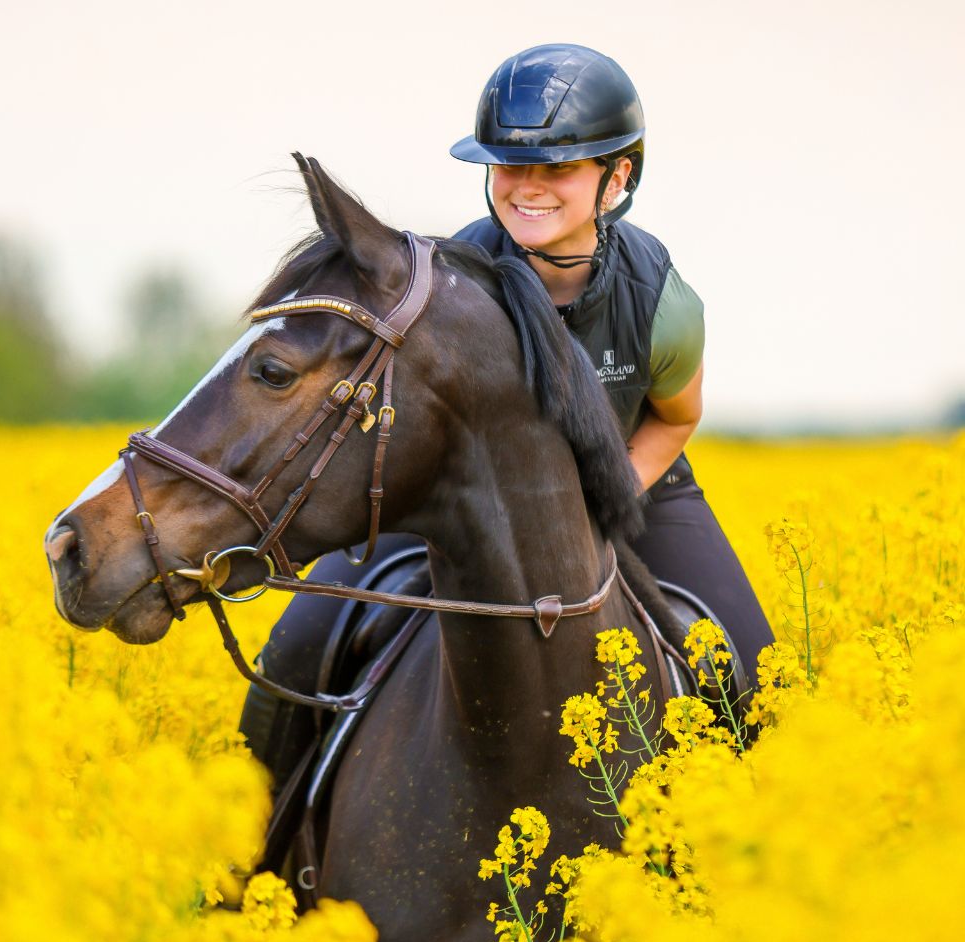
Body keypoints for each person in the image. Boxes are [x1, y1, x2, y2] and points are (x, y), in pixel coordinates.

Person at [240, 43, 774, 785]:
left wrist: (601, 501)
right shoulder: (448, 286)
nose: (527, 188)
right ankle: (253, 859)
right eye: (509, 166)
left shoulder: (660, 300)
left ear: (617, 177)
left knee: (751, 665)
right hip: (459, 502)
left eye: (557, 168)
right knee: (298, 642)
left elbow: (675, 419)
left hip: (634, 482)